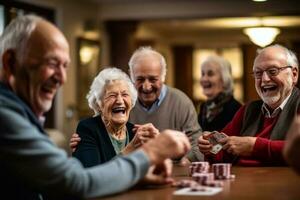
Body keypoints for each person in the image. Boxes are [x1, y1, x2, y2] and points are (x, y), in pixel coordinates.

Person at [0, 15, 191, 199]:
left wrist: (137, 177)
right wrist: (151, 153)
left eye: (64, 66)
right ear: (11, 62)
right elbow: (77, 182)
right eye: (51, 63)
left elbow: (58, 183)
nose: (62, 78)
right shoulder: (6, 116)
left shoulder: (21, 114)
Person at [71, 46, 204, 163]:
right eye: (140, 79)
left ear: (163, 77)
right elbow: (94, 174)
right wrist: (86, 144)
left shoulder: (131, 130)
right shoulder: (90, 128)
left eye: (124, 95)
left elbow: (196, 145)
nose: (146, 87)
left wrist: (160, 145)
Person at [198, 44, 300, 166]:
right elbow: (221, 152)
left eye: (273, 71)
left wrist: (254, 146)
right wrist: (209, 146)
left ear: (294, 74)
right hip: (242, 181)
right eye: (258, 73)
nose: (265, 79)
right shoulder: (248, 109)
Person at [73, 67, 159, 167]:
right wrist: (131, 148)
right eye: (112, 95)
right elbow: (93, 175)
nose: (119, 101)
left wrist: (157, 145)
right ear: (99, 104)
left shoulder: (135, 132)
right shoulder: (88, 129)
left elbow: (153, 170)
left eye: (125, 94)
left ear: (131, 103)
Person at [198, 55, 241, 131]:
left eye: (210, 74)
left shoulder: (236, 109)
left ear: (224, 79)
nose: (204, 79)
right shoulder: (203, 107)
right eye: (202, 74)